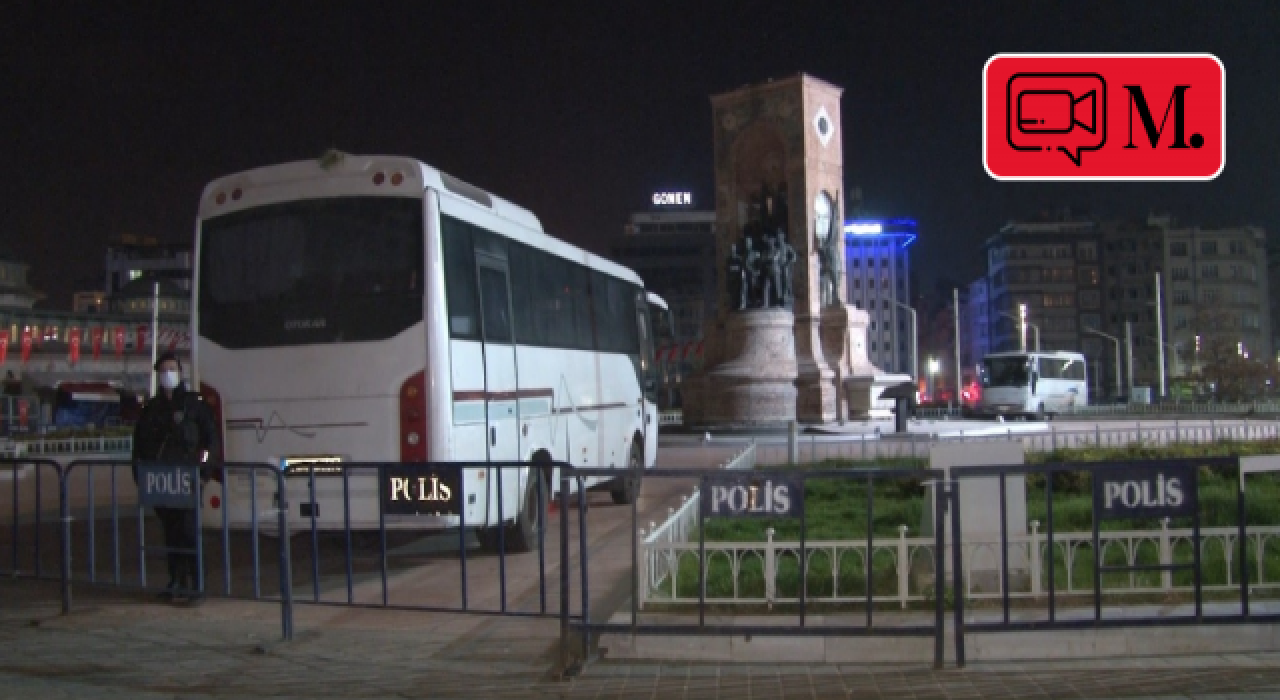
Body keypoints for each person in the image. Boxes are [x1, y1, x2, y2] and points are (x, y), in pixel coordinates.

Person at [132, 352, 220, 604]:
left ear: (180, 373)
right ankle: (176, 581)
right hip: (160, 482)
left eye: (172, 369)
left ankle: (196, 584)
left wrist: (202, 473)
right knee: (170, 533)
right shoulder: (151, 409)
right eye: (163, 370)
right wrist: (140, 475)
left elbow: (209, 443)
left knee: (189, 533)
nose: (168, 374)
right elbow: (139, 445)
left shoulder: (195, 405)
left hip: (187, 480)